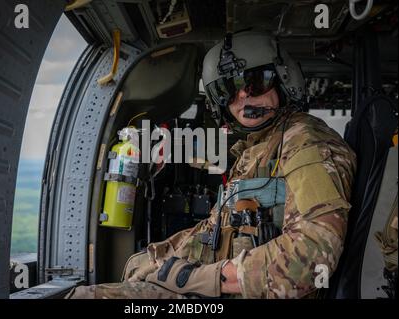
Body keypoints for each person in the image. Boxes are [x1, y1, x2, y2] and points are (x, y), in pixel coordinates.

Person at [66, 31, 356, 299]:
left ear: (283, 79)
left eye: (254, 81)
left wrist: (204, 278)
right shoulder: (257, 148)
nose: (242, 95)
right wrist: (160, 257)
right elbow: (218, 227)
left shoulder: (306, 143)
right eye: (228, 90)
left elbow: (314, 255)